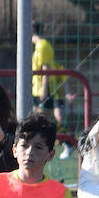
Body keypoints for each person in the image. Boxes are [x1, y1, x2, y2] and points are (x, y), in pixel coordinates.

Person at [31, 23, 69, 157]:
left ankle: (66, 142)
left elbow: (46, 68)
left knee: (44, 122)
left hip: (43, 89)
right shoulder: (39, 46)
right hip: (37, 89)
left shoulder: (42, 46)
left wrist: (44, 88)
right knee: (41, 121)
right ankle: (63, 142)